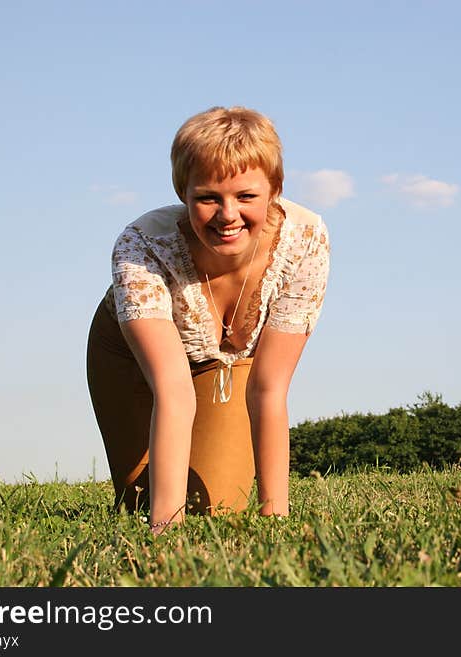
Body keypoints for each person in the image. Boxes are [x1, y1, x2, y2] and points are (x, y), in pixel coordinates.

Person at [85, 106, 330, 534]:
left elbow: (269, 388)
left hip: (224, 365)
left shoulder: (306, 241)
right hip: (129, 362)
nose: (228, 215)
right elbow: (173, 389)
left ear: (275, 189)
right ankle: (148, 501)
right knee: (140, 501)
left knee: (217, 507)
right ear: (184, 192)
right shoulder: (141, 244)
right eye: (208, 198)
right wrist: (165, 526)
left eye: (246, 196)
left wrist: (276, 518)